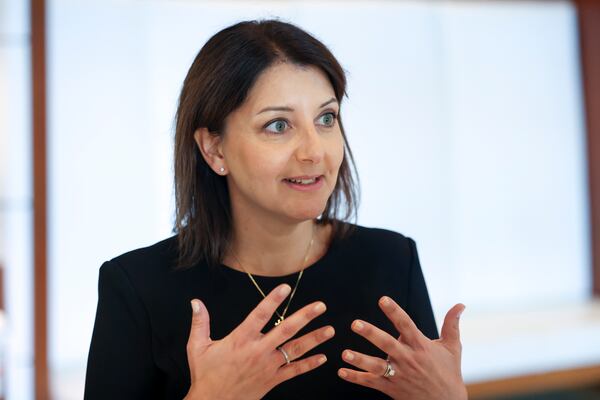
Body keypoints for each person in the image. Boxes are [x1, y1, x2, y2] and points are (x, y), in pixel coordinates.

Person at [83, 18, 467, 400]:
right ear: (214, 149)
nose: (314, 151)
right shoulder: (136, 287)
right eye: (279, 125)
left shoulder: (393, 260)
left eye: (326, 118)